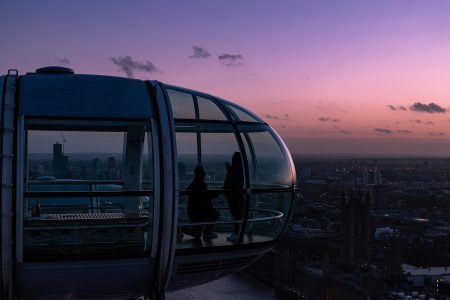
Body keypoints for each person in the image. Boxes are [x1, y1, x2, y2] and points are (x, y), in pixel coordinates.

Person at [185, 166, 220, 239]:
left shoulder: (195, 183)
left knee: (197, 233)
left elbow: (203, 196)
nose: (204, 174)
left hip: (196, 211)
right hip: (198, 211)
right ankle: (207, 232)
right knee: (215, 214)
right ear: (200, 174)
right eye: (203, 173)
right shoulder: (199, 184)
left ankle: (179, 229)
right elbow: (205, 196)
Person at [223, 152, 244, 242]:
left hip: (235, 197)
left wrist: (230, 170)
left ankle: (237, 234)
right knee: (236, 216)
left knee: (236, 216)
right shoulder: (238, 170)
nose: (232, 160)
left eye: (233, 158)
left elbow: (234, 182)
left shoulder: (236, 171)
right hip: (234, 197)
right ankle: (237, 233)